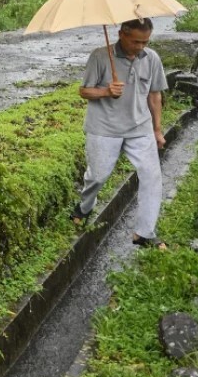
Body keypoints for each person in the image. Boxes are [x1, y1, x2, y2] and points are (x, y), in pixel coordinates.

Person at [71, 18, 169, 249]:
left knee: (152, 177)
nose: (141, 47)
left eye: (145, 42)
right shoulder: (99, 56)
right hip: (104, 128)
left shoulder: (152, 58)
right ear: (121, 34)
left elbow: (154, 96)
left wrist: (157, 129)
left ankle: (144, 233)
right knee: (98, 176)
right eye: (136, 41)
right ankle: (84, 207)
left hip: (140, 127)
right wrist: (106, 91)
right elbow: (84, 91)